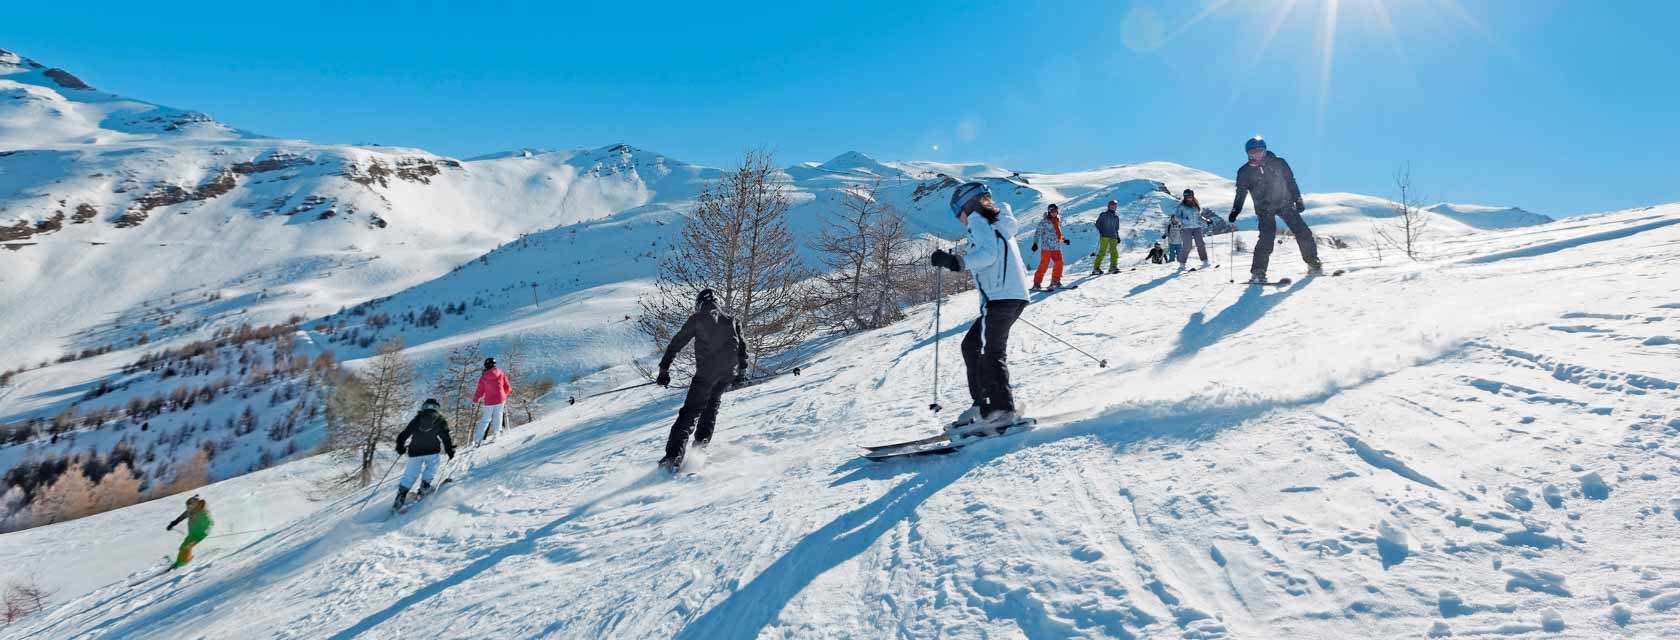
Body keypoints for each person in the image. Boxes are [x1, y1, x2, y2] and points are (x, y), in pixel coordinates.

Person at [930, 182, 1031, 433]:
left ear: (968, 205)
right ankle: (982, 404)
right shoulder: (998, 223)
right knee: (973, 346)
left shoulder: (978, 220)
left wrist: (955, 262)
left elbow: (988, 255)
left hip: (1000, 298)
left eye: (958, 212)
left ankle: (999, 411)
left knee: (990, 352)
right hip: (1010, 296)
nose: (959, 219)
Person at [655, 289, 748, 472]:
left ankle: (673, 458)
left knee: (690, 413)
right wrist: (740, 374)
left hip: (707, 374)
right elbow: (742, 348)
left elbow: (677, 342)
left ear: (700, 303)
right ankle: (699, 450)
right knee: (711, 406)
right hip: (726, 373)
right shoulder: (732, 319)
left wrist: (664, 369)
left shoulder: (698, 318)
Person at [1229, 136, 1322, 282]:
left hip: (1284, 203)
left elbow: (1291, 181)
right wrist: (1235, 210)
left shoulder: (1279, 163)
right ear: (1248, 154)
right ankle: (1258, 271)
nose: (1257, 155)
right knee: (1266, 238)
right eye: (1253, 152)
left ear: (1265, 150)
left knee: (1302, 231)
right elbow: (1241, 193)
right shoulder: (1244, 171)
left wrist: (1298, 199)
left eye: (1260, 151)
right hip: (1264, 208)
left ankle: (1313, 262)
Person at [394, 398, 456, 510]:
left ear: (424, 407)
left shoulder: (417, 419)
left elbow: (404, 434)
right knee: (432, 467)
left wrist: (400, 447)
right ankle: (425, 486)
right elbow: (445, 437)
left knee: (411, 473)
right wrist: (449, 450)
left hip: (415, 452)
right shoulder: (440, 420)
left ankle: (401, 496)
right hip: (432, 451)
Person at [1029, 203, 1070, 290]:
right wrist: (1035, 243)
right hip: (1046, 247)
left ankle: (1055, 281)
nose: (1054, 213)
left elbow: (1058, 234)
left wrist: (1064, 240)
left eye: (1055, 211)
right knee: (1044, 265)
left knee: (1059, 263)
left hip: (1056, 246)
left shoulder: (1058, 221)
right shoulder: (1044, 222)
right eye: (1052, 211)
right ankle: (1036, 283)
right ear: (1049, 211)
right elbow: (1037, 233)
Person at [165, 495, 212, 569]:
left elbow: (209, 522)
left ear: (195, 505)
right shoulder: (191, 511)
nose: (188, 508)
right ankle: (181, 561)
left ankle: (182, 563)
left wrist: (205, 530)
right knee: (183, 547)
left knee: (186, 547)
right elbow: (182, 517)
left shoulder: (203, 512)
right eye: (187, 506)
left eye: (189, 506)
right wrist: (173, 523)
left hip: (200, 534)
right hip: (193, 533)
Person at [472, 357, 512, 445]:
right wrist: (504, 394)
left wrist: (475, 400)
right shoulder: (501, 373)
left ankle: (478, 439)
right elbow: (508, 387)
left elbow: (480, 390)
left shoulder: (484, 377)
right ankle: (496, 435)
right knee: (498, 416)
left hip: (489, 401)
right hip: (500, 399)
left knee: (486, 419)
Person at [1172, 189, 1211, 269]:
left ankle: (1205, 261)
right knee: (1187, 246)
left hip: (1197, 227)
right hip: (1186, 228)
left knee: (1200, 244)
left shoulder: (1196, 206)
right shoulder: (1181, 206)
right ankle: (1182, 263)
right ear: (1185, 197)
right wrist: (1183, 220)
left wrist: (1206, 221)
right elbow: (1176, 217)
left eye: (1191, 196)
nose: (1190, 198)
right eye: (1188, 197)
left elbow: (1199, 217)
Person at [1092, 200, 1121, 275]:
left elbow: (1116, 228)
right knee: (1102, 252)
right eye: (1112, 206)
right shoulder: (1103, 214)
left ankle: (1113, 267)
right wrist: (1101, 231)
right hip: (1105, 235)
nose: (1113, 207)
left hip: (1113, 236)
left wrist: (1117, 236)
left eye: (1115, 206)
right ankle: (1096, 268)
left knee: (1114, 252)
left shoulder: (1116, 217)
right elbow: (1098, 224)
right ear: (1108, 206)